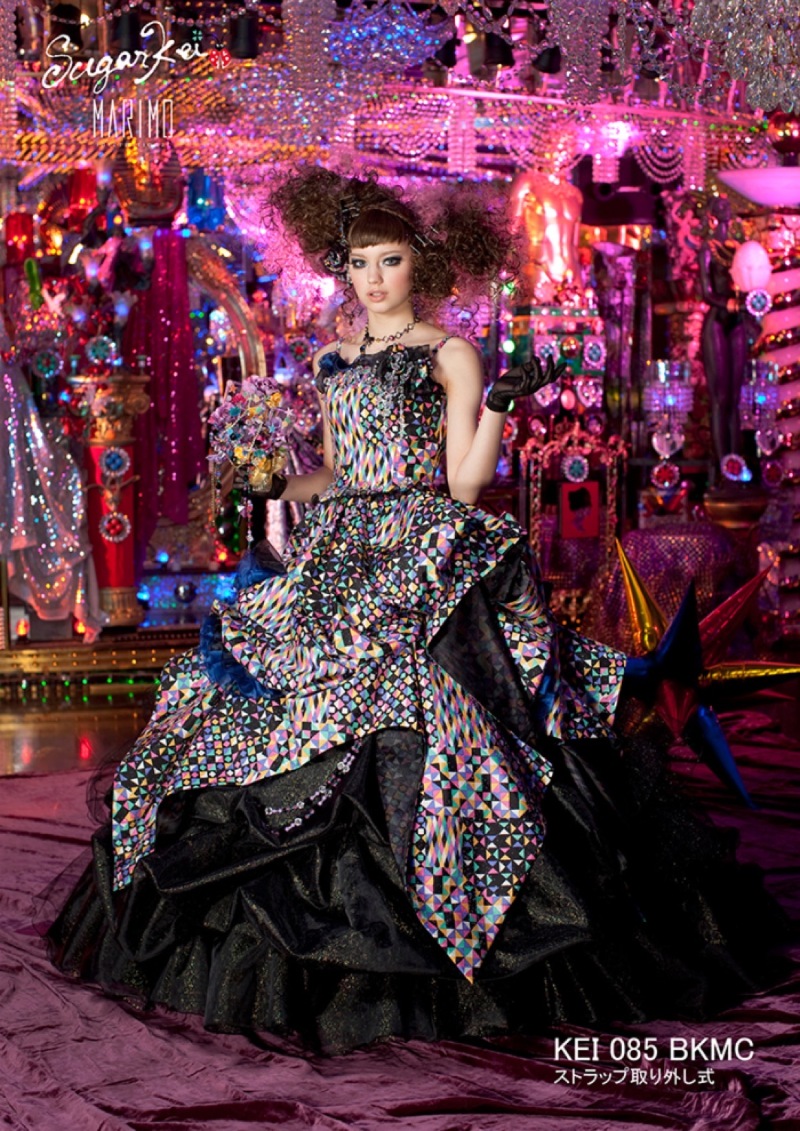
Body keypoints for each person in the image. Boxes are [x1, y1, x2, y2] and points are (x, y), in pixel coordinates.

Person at [47, 169, 787, 1054]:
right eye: (358, 263)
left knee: (423, 715)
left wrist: (500, 408)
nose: (371, 279)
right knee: (249, 710)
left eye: (388, 261)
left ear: (420, 264)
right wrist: (276, 482)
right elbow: (336, 477)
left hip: (422, 549)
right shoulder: (332, 361)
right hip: (336, 553)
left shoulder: (450, 353)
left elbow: (464, 485)